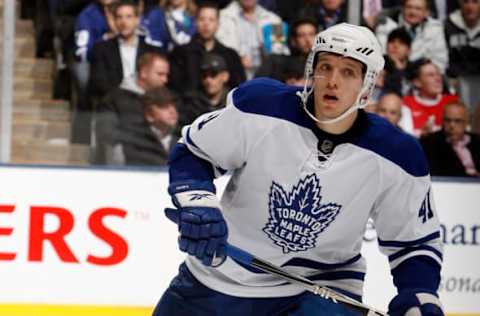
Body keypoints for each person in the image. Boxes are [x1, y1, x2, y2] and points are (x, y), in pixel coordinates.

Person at [153, 23, 444, 316]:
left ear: (367, 84)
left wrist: (419, 294)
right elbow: (195, 151)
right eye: (325, 67)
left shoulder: (397, 155)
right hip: (224, 278)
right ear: (311, 70)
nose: (332, 81)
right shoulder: (260, 106)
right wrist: (200, 206)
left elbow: (414, 243)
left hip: (322, 289)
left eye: (348, 72)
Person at [95, 52, 170, 164]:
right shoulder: (114, 99)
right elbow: (106, 131)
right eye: (160, 74)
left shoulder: (168, 99)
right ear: (144, 73)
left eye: (166, 75)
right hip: (129, 165)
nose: (165, 80)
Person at [89, 0, 164, 99]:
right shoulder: (101, 49)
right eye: (119, 17)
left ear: (137, 20)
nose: (124, 22)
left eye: (129, 17)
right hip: (115, 102)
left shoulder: (153, 51)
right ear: (114, 21)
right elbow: (99, 82)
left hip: (147, 100)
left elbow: (158, 82)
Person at [168, 1, 246, 94]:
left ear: (218, 24)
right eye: (202, 19)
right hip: (189, 106)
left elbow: (239, 89)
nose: (206, 24)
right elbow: (174, 88)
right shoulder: (180, 53)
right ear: (195, 22)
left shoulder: (230, 55)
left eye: (211, 19)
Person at [375, 0, 449, 73]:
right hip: (391, 73)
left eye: (418, 9)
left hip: (422, 78)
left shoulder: (436, 28)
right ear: (402, 8)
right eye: (409, 7)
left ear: (426, 12)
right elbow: (381, 57)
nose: (412, 12)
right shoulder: (385, 25)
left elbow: (440, 62)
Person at [119, 87, 180, 165]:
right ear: (149, 114)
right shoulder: (134, 142)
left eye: (173, 106)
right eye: (164, 107)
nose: (172, 111)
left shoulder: (183, 142)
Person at [420, 101, 480, 177]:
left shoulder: (477, 141)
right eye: (447, 120)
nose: (452, 125)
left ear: (466, 122)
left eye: (457, 121)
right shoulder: (431, 143)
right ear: (442, 121)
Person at [400, 58, 458, 137]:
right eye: (430, 75)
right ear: (417, 82)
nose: (438, 78)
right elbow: (406, 138)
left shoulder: (452, 101)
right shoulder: (407, 103)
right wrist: (422, 134)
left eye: (438, 74)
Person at [178, 53, 230, 128]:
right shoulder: (189, 103)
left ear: (225, 76)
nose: (208, 80)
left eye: (213, 74)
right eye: (204, 75)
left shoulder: (233, 102)